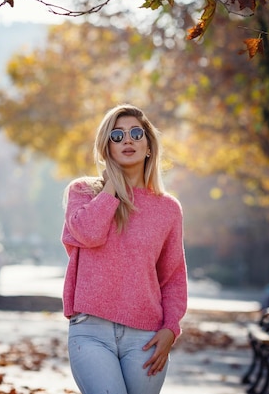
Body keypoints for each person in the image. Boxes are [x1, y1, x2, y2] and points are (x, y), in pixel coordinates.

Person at [61, 104, 188, 394]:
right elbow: (89, 233)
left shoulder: (168, 209)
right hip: (91, 331)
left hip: (146, 336)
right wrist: (111, 189)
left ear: (148, 147)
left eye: (135, 133)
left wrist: (171, 328)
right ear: (106, 148)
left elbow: (172, 277)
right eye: (116, 136)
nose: (127, 140)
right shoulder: (83, 192)